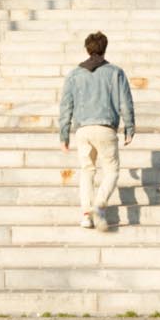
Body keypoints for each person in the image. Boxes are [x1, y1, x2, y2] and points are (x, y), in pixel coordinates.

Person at [56, 31, 136, 230]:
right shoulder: (116, 72)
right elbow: (126, 103)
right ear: (105, 48)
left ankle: (86, 215)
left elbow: (66, 105)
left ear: (87, 49)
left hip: (83, 130)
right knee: (111, 171)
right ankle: (99, 205)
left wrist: (64, 134)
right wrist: (129, 128)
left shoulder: (74, 74)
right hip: (105, 128)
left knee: (87, 171)